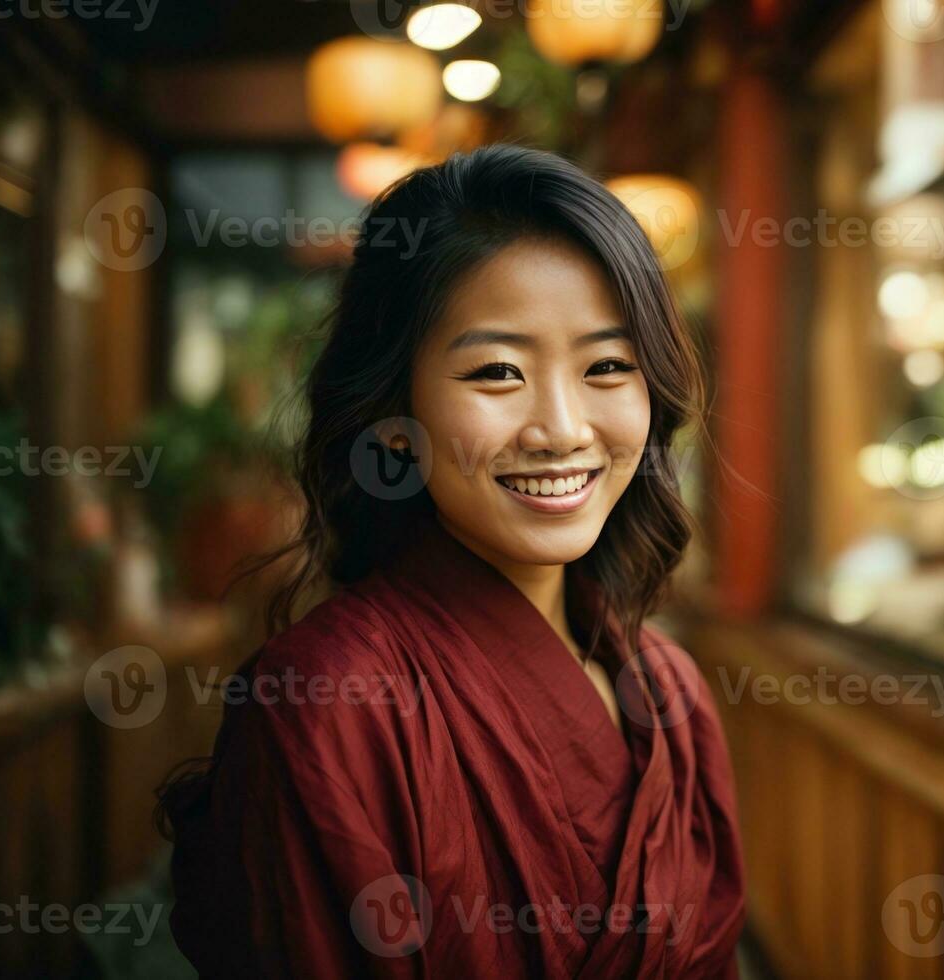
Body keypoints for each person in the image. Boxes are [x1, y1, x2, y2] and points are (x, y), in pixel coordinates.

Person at [157, 144, 746, 979]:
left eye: (608, 366)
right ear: (396, 414)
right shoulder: (327, 703)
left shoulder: (671, 696)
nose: (562, 429)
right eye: (497, 371)